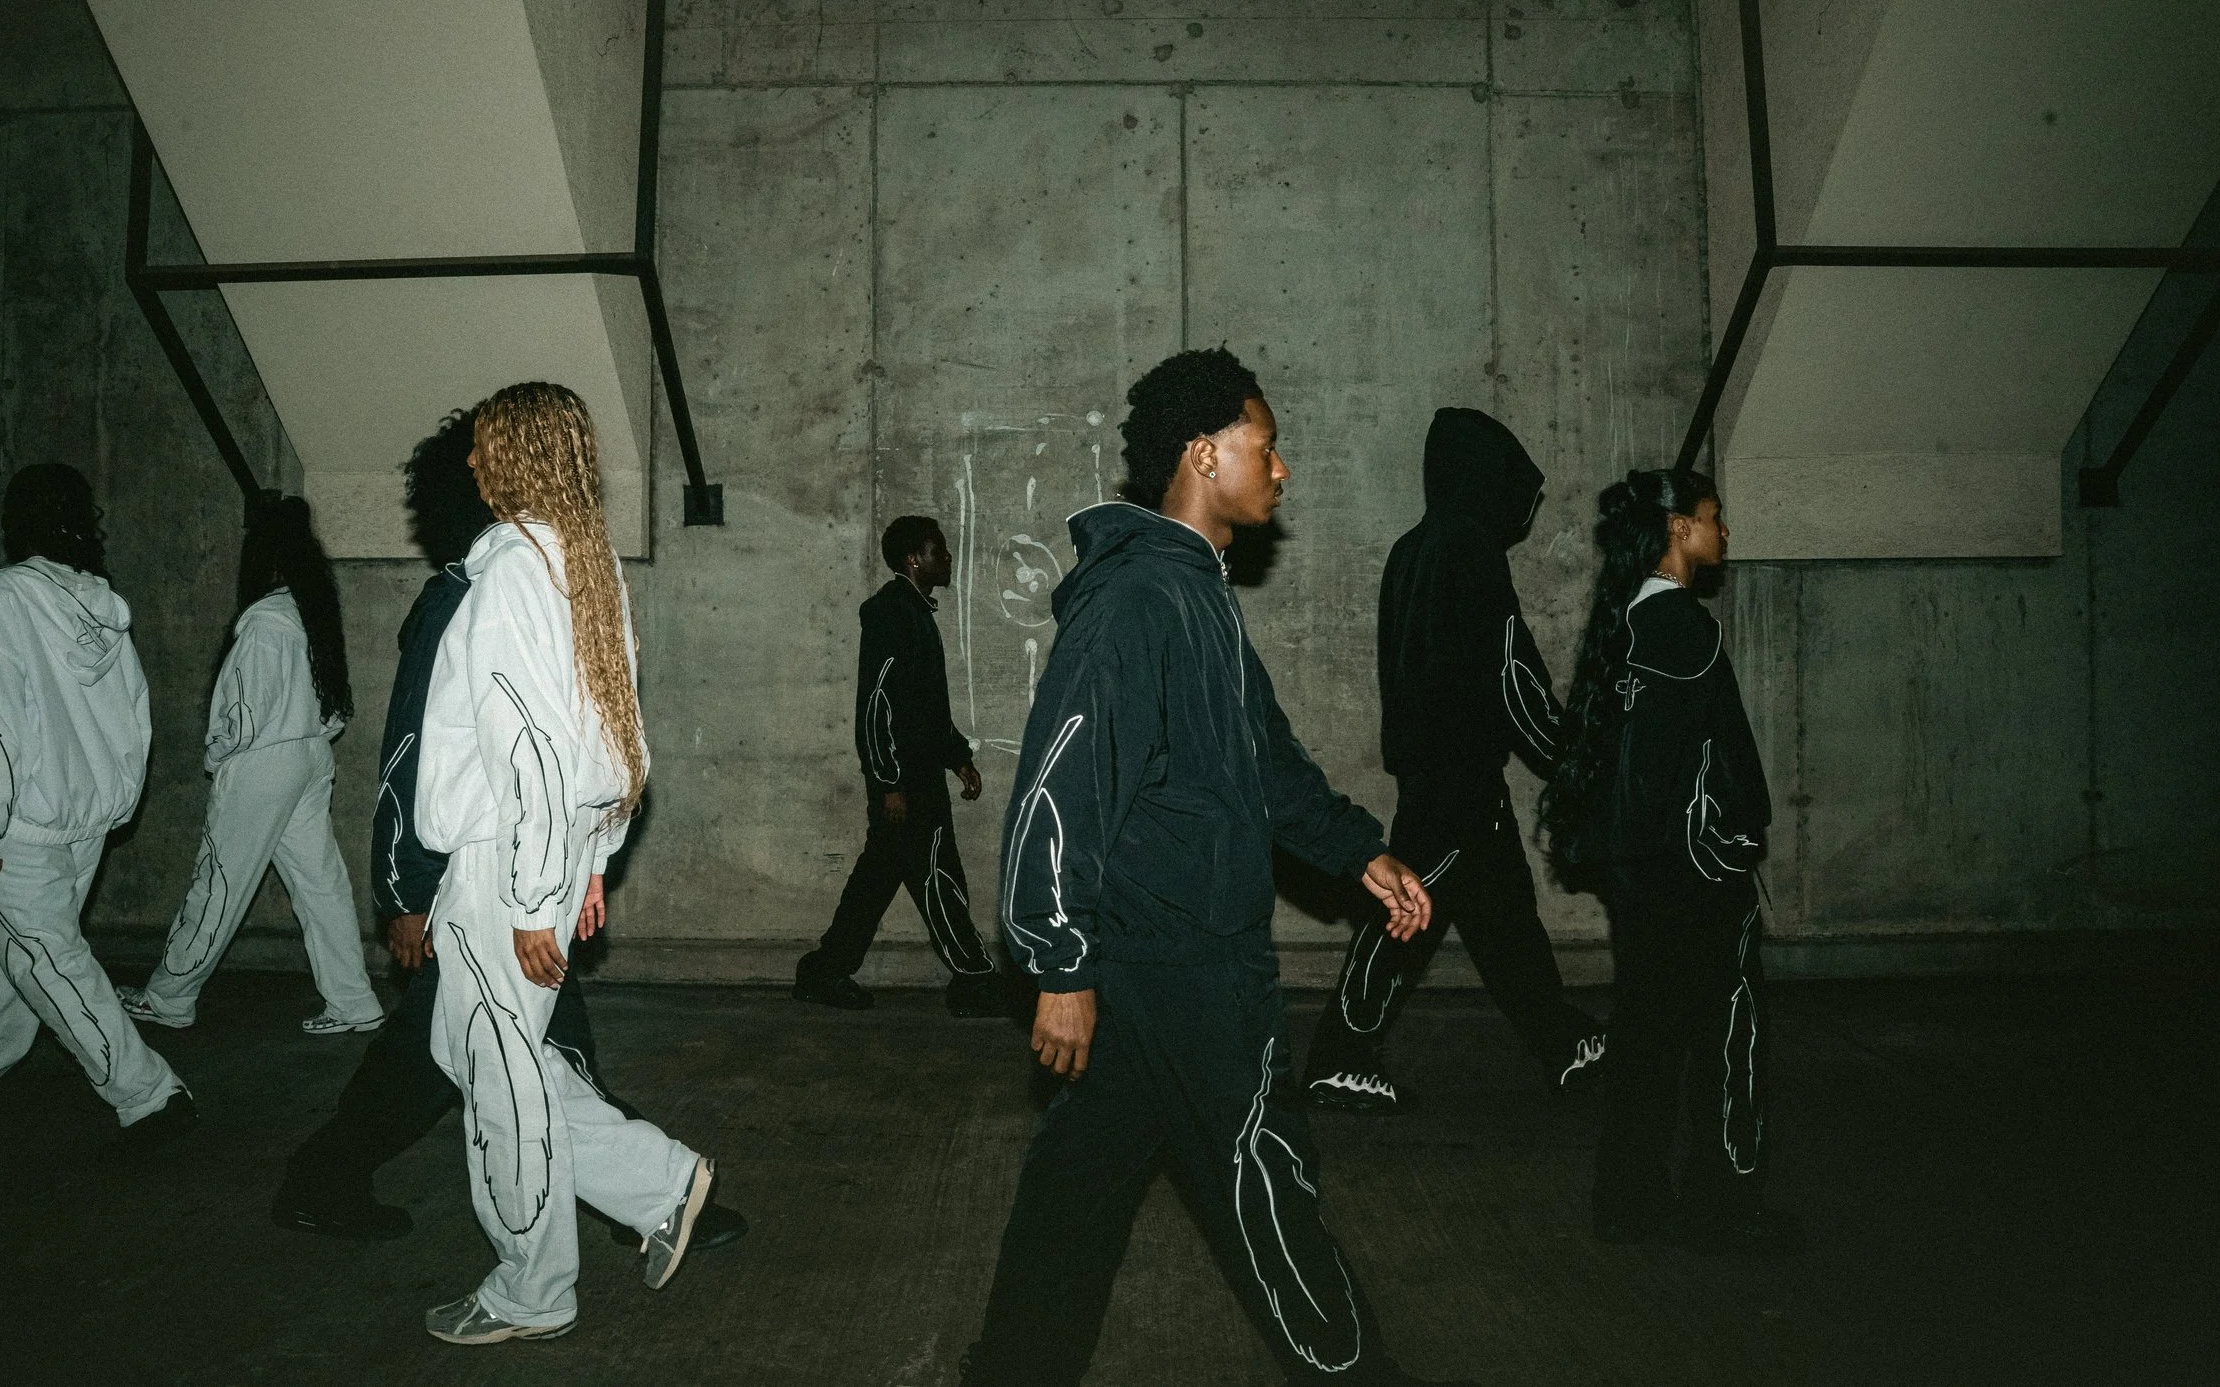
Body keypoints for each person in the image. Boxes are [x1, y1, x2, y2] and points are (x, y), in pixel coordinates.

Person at [962, 347, 1468, 1387]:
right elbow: (1061, 785)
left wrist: (1357, 849)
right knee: (1263, 1177)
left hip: (1158, 967)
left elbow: (1263, 761)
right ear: (1204, 452)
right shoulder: (1139, 603)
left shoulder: (1195, 595)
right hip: (1180, 971)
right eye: (1265, 447)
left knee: (1075, 1196)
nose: (1281, 471)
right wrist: (1057, 962)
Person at [272, 411, 744, 1261]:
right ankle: (647, 1199)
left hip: (514, 873)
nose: (485, 467)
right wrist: (408, 892)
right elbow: (412, 757)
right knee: (475, 1053)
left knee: (488, 1054)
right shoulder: (480, 589)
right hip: (485, 876)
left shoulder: (529, 578)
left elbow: (587, 740)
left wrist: (578, 864)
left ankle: (650, 1197)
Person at [416, 382, 723, 1345]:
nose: (470, 462)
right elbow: (618, 741)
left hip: (501, 858)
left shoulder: (511, 572)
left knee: (501, 1079)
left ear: (518, 455)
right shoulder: (583, 564)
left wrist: (528, 894)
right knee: (487, 1055)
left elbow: (532, 752)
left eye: (484, 447)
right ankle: (662, 1181)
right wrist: (591, 860)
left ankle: (531, 1289)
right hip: (549, 851)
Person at [1305, 409, 1605, 1113]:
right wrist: (1574, 757)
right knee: (1404, 912)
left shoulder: (1412, 548)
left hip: (1443, 770)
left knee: (1506, 920)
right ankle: (1339, 1055)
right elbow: (1512, 676)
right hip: (1455, 776)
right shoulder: (1470, 548)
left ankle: (1560, 1040)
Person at [1538, 468, 1801, 1257]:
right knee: (1728, 1038)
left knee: (1647, 1037)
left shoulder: (1622, 621)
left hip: (1641, 876)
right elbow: (1713, 764)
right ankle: (1723, 1206)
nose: (1726, 532)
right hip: (1697, 878)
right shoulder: (1685, 628)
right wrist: (1735, 843)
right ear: (1678, 529)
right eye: (1715, 517)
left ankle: (1629, 1204)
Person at [0, 463, 195, 1147]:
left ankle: (147, 1091)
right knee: (10, 969)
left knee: (49, 962)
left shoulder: (5, 596)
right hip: (84, 823)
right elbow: (137, 717)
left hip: (23, 827)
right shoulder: (100, 605)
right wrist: (117, 805)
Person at [119, 496, 383, 1034]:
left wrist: (220, 753)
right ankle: (355, 1002)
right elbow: (334, 701)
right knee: (320, 885)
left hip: (265, 762)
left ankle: (170, 997)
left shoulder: (264, 620)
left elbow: (242, 709)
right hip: (310, 756)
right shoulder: (311, 612)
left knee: (219, 880)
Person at [795, 514, 1015, 1018]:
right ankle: (973, 978)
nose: (948, 558)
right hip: (906, 782)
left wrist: (958, 758)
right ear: (914, 559)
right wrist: (888, 783)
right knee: (938, 872)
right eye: (940, 550)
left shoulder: (914, 611)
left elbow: (924, 707)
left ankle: (824, 972)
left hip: (915, 776)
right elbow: (875, 705)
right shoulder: (893, 612)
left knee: (877, 880)